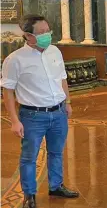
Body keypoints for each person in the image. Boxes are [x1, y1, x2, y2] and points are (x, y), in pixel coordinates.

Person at [1, 14, 79, 208]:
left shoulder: (55, 52)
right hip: (32, 116)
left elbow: (62, 78)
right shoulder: (15, 60)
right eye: (42, 32)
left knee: (56, 152)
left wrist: (67, 102)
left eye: (48, 31)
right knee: (29, 157)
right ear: (28, 36)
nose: (47, 35)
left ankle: (56, 186)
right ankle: (29, 195)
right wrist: (14, 120)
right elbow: (7, 92)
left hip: (59, 112)